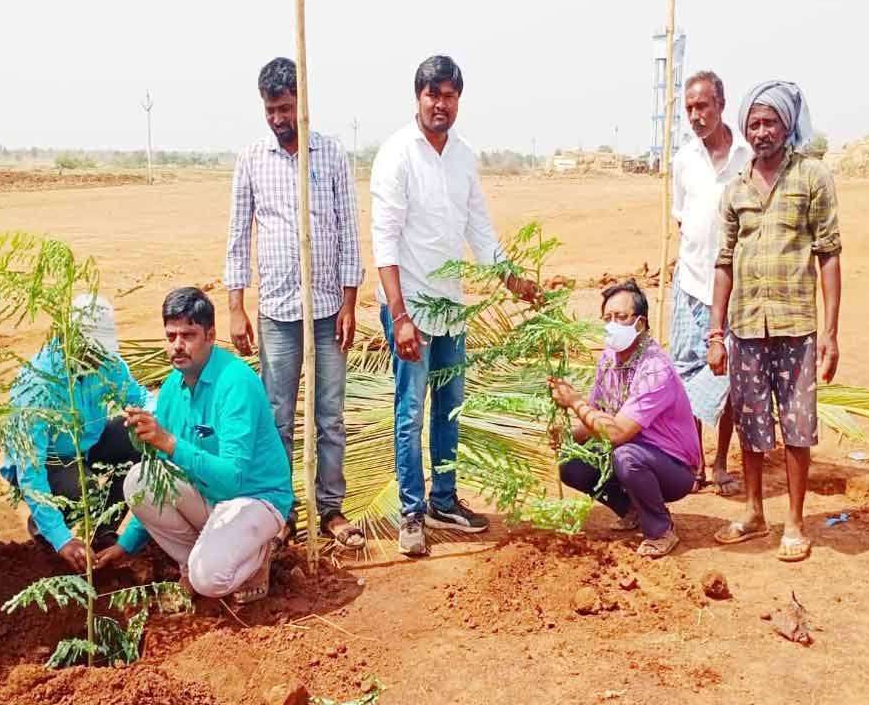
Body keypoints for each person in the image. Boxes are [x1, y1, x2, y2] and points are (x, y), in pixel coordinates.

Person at [370, 54, 540, 556]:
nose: (440, 103)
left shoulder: (464, 156)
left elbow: (479, 230)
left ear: (458, 100)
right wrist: (399, 317)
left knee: (450, 409)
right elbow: (384, 241)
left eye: (448, 95)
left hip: (450, 309)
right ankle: (411, 512)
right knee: (410, 414)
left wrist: (513, 280)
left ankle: (444, 499)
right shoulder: (397, 154)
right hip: (410, 311)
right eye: (431, 94)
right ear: (417, 98)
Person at [225, 57, 364, 550]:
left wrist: (350, 303)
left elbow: (349, 230)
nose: (279, 118)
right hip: (278, 314)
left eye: (285, 108)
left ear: (302, 104)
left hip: (328, 310)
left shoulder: (330, 155)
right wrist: (236, 304)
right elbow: (238, 234)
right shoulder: (252, 158)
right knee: (277, 416)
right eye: (270, 109)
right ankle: (280, 511)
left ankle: (330, 509)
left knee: (329, 414)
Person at [708, 81, 843, 563]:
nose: (762, 131)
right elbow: (723, 262)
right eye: (754, 123)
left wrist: (829, 332)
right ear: (744, 128)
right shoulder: (735, 189)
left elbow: (828, 254)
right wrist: (715, 332)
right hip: (745, 327)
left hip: (797, 327)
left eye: (771, 123)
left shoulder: (812, 177)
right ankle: (752, 511)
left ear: (787, 126)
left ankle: (795, 521)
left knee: (798, 425)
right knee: (751, 423)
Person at [94, 288, 294, 604]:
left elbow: (234, 479)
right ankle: (196, 563)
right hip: (212, 499)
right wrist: (126, 545)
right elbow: (165, 477)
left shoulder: (236, 383)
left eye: (188, 335)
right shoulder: (174, 387)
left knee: (211, 580)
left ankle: (259, 554)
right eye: (171, 335)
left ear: (210, 335)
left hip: (256, 499)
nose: (177, 345)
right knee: (140, 479)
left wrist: (170, 443)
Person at [549, 282, 702, 558]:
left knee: (626, 456)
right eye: (607, 318)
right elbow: (598, 417)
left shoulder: (655, 369)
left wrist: (574, 401)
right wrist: (568, 436)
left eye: (620, 317)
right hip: (630, 451)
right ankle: (631, 509)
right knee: (571, 462)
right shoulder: (608, 360)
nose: (612, 325)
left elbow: (617, 432)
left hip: (672, 467)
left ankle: (660, 529)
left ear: (640, 323)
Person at [4, 294, 148, 571]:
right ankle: (48, 536)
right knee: (84, 487)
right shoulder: (37, 385)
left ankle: (103, 532)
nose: (98, 358)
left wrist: (156, 417)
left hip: (85, 444)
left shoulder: (105, 361)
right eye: (90, 350)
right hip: (49, 460)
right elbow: (30, 470)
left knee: (137, 435)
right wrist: (62, 540)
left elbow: (138, 396)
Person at [669, 71, 752, 497]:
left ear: (721, 104)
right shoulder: (683, 161)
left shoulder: (748, 156)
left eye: (703, 106)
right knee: (687, 375)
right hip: (691, 286)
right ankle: (696, 461)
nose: (696, 116)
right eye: (689, 109)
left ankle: (722, 462)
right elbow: (682, 217)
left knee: (731, 379)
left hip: (736, 291)